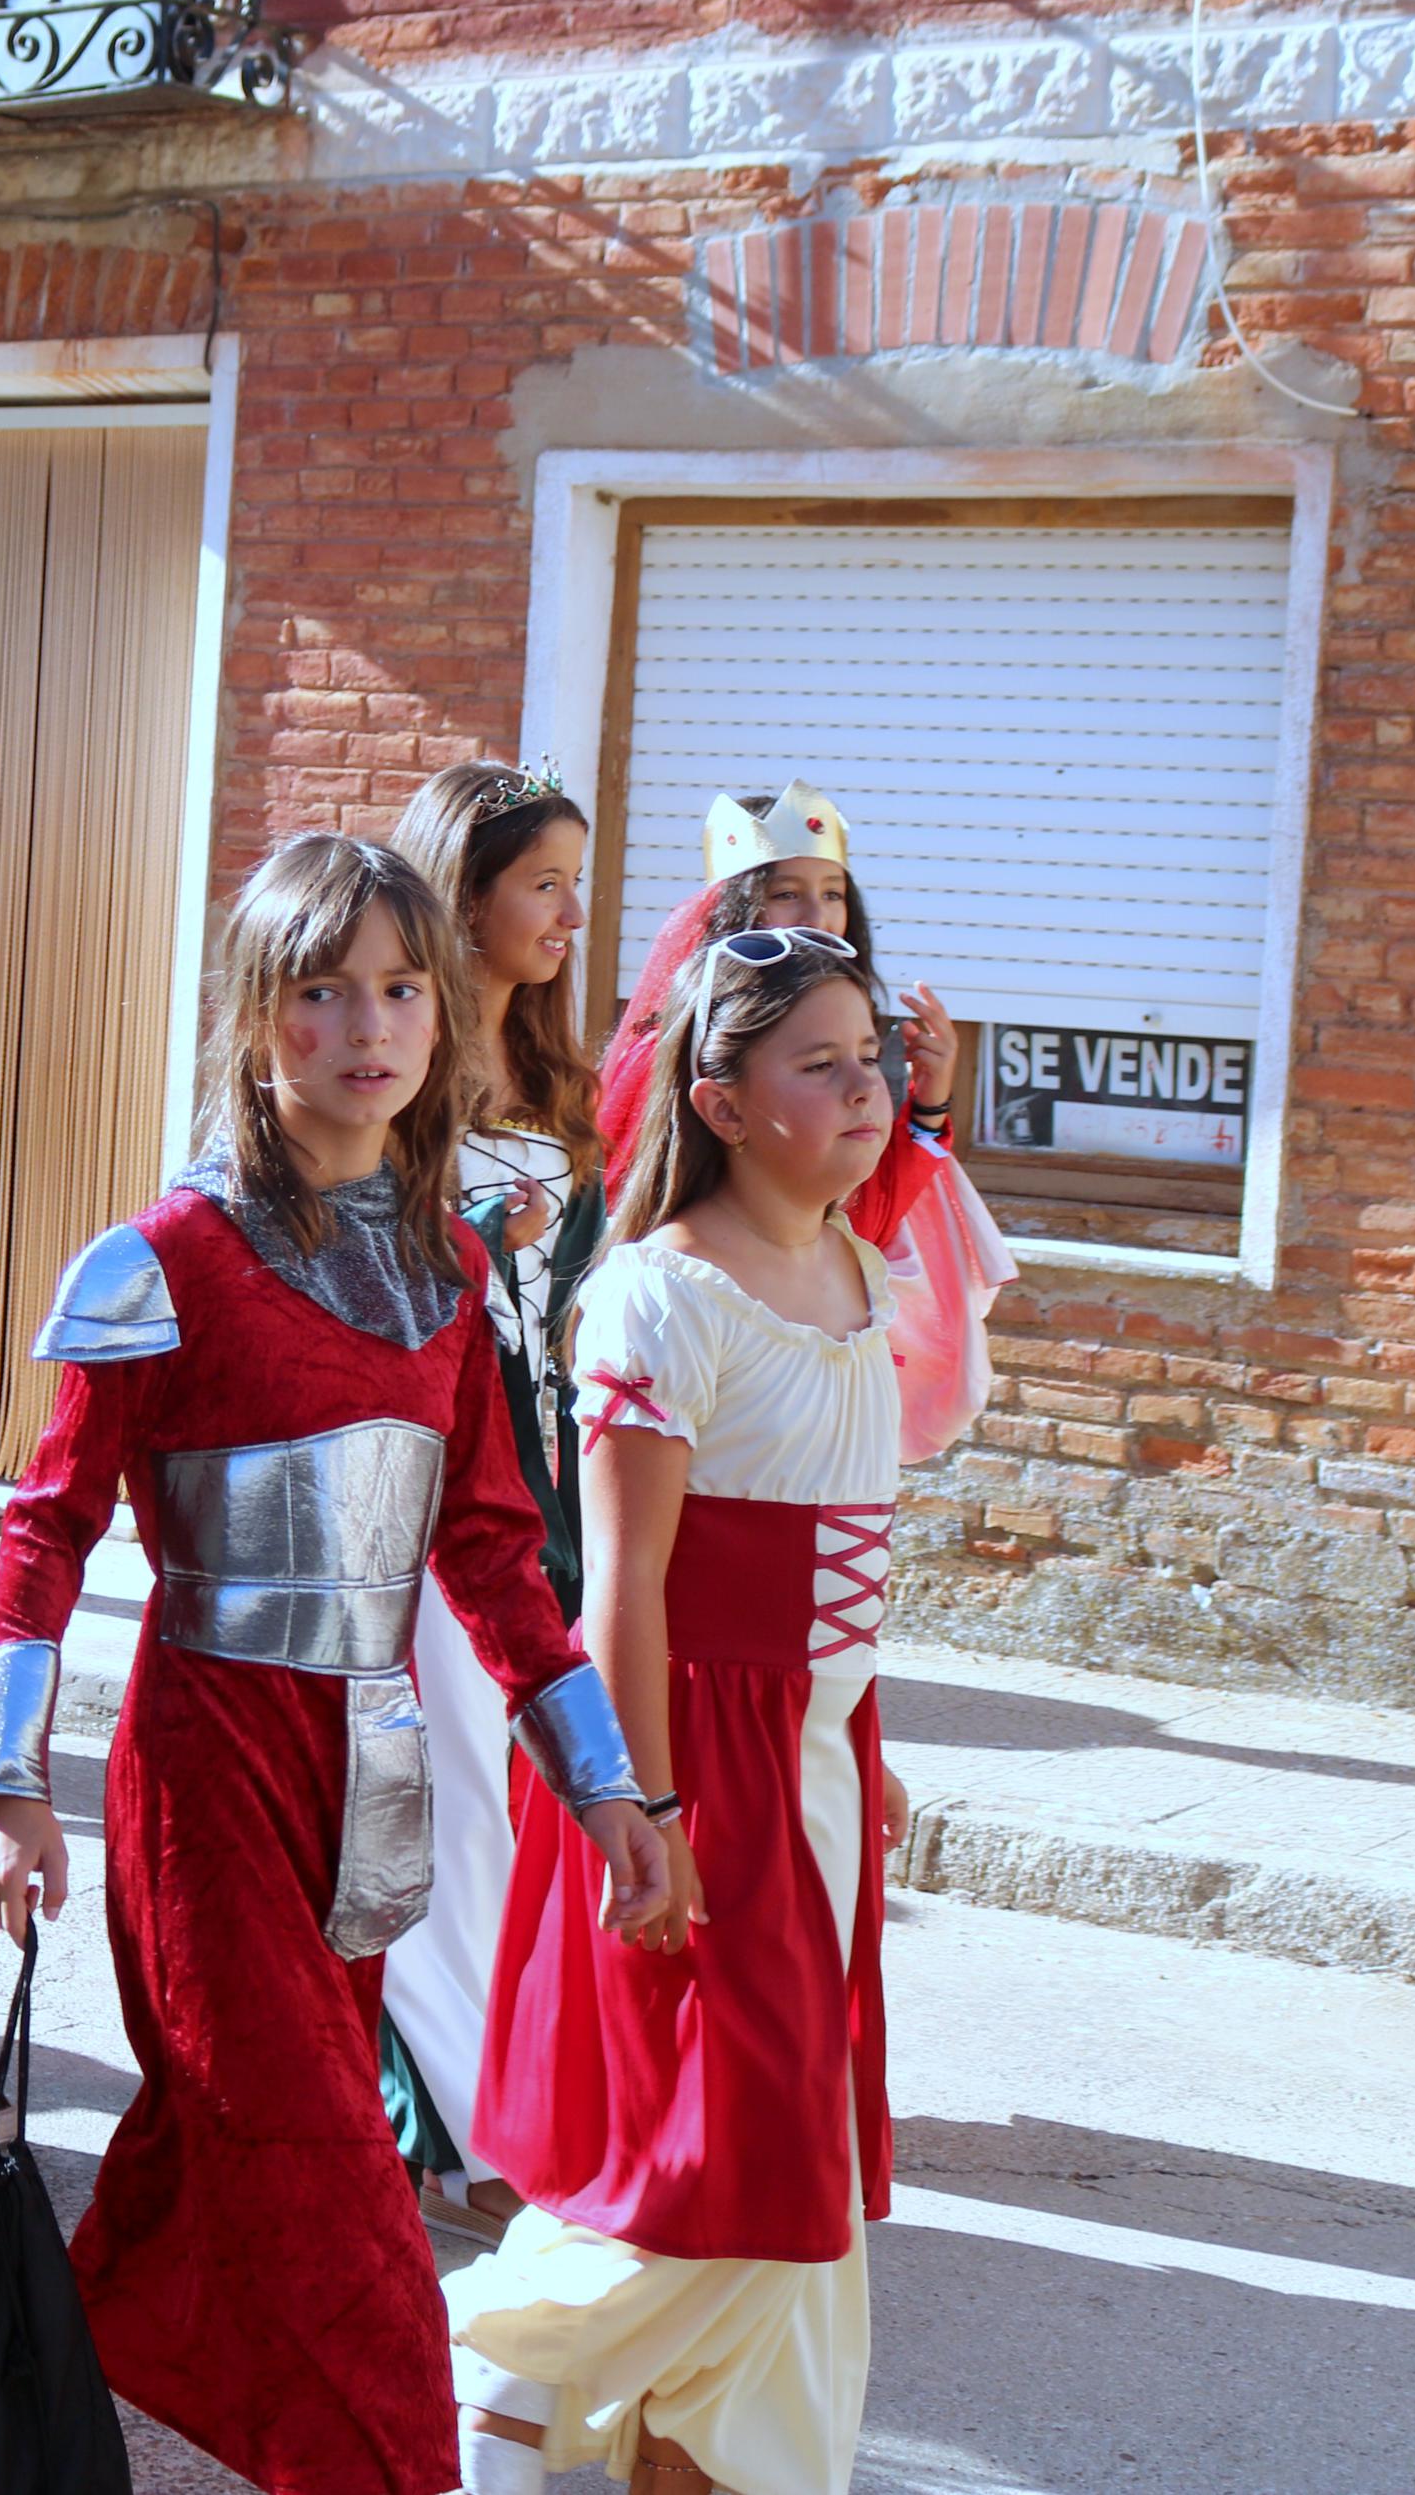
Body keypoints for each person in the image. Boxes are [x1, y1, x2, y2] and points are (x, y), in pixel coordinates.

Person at [0, 832, 666, 2495]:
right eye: (321, 990)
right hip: (205, 1769)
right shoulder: (159, 1260)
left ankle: (63, 2374)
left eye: (401, 987)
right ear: (255, 1019)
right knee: (335, 2191)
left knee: (242, 2165)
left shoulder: (448, 1268)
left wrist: (606, 1786)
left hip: (370, 1779)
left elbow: (491, 1550)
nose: (368, 1024)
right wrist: (1, 1788)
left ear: (441, 1017)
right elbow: (42, 1533)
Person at [450, 926, 918, 2495]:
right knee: (732, 2135)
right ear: (719, 1100)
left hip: (814, 1749)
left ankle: (714, 2455)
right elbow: (624, 1587)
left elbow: (842, 1547)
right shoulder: (657, 1295)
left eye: (872, 1055)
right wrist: (636, 1805)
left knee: (806, 2153)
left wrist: (870, 1736)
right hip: (692, 1751)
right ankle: (502, 2360)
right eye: (821, 1061)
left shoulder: (867, 1267)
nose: (864, 1086)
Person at [378, 758, 609, 2224]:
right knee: (454, 1792)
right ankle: (463, 2120)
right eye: (544, 882)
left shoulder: (565, 1080)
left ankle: (504, 2090)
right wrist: (457, 1223)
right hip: (423, 1481)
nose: (571, 913)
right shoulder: (385, 1059)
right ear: (463, 894)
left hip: (549, 1477)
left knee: (525, 1803)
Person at [592, 778, 1010, 1467]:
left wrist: (927, 1106)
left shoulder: (849, 1057)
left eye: (834, 893)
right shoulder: (662, 1052)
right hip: (699, 1369)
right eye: (786, 892)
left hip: (810, 1375)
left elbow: (858, 1227)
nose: (815, 916)